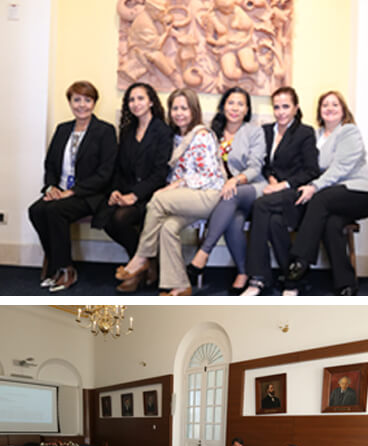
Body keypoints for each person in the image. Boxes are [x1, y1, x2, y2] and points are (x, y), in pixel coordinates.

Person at [115, 87, 225, 295]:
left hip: (208, 195)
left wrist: (177, 185)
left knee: (158, 199)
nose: (179, 113)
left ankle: (141, 258)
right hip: (187, 199)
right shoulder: (175, 137)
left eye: (184, 108)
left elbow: (209, 175)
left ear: (194, 110)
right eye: (175, 108)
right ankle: (180, 285)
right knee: (167, 227)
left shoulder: (201, 135)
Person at [286, 91, 368, 296]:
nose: (329, 108)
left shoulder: (348, 131)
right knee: (331, 223)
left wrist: (314, 187)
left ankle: (300, 261)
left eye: (335, 105)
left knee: (319, 199)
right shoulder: (316, 135)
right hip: (334, 197)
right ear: (319, 111)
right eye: (325, 105)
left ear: (343, 110)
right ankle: (346, 284)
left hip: (360, 193)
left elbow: (341, 168)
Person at [28, 81, 117, 292]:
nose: (81, 105)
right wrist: (51, 188)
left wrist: (72, 192)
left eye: (87, 100)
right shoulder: (62, 129)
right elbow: (50, 165)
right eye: (77, 100)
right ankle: (55, 261)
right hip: (60, 192)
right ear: (70, 102)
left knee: (55, 211)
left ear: (94, 103)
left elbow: (105, 173)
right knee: (36, 210)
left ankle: (65, 269)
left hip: (88, 194)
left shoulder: (105, 131)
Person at [185, 87, 267, 295]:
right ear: (223, 106)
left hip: (252, 187)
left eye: (240, 104)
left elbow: (256, 167)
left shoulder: (254, 131)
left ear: (247, 109)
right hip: (225, 196)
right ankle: (243, 273)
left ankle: (203, 253)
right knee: (235, 220)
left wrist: (235, 181)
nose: (235, 108)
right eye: (231, 103)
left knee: (234, 193)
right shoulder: (212, 132)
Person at [241, 86, 320, 296]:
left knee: (260, 204)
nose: (281, 112)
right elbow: (264, 163)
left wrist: (283, 184)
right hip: (275, 194)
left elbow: (311, 170)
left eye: (286, 106)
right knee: (274, 222)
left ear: (295, 108)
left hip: (295, 194)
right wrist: (271, 177)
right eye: (277, 107)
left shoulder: (305, 132)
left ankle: (257, 278)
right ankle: (291, 281)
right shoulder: (265, 131)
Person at [97, 82, 172, 293]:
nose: (136, 103)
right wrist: (116, 191)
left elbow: (160, 173)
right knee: (105, 217)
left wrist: (134, 195)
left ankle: (138, 265)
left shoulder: (162, 131)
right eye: (131, 99)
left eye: (140, 98)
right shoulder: (128, 130)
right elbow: (119, 167)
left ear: (150, 102)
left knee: (120, 219)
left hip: (151, 195)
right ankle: (144, 262)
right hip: (127, 191)